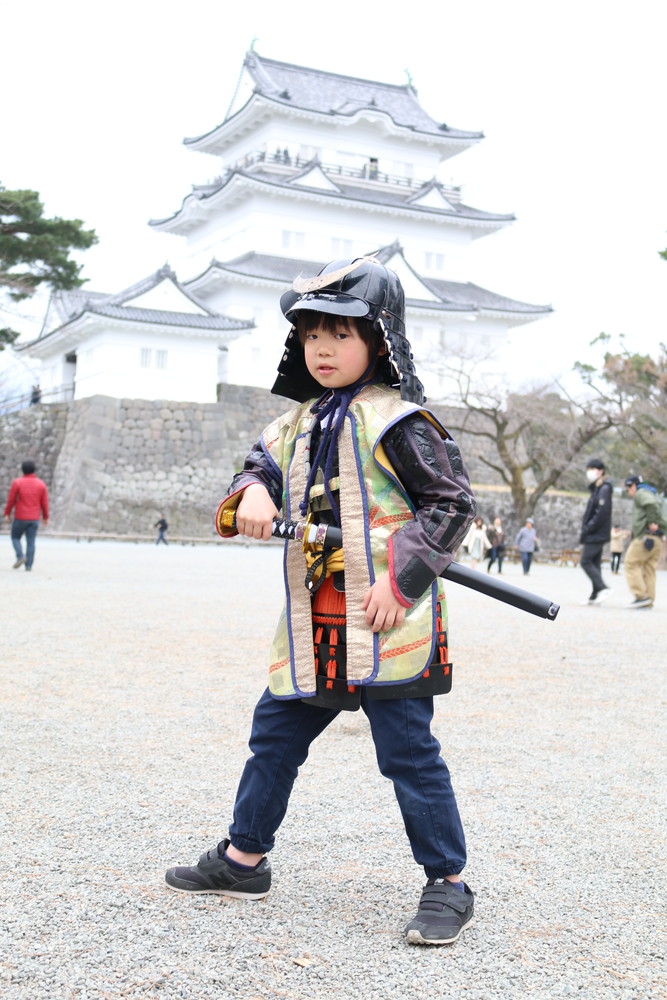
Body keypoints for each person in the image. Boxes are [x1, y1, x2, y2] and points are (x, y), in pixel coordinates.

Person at [165, 257, 477, 945]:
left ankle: (448, 882)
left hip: (387, 613)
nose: (323, 349)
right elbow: (259, 464)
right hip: (315, 617)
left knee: (407, 754)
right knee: (273, 738)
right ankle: (245, 858)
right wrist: (252, 489)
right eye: (311, 336)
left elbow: (451, 507)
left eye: (341, 333)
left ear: (380, 339)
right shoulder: (296, 423)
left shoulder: (401, 421)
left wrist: (401, 581)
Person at [623, 475, 667, 609]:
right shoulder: (654, 493)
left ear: (634, 486)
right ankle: (649, 600)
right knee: (649, 569)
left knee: (630, 563)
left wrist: (651, 522)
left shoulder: (642, 493)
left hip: (646, 536)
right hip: (658, 538)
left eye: (628, 489)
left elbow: (651, 504)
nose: (628, 492)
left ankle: (641, 596)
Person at [3, 460, 49, 571]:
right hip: (34, 518)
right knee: (31, 541)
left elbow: (11, 500)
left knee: (15, 537)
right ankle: (28, 565)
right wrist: (45, 517)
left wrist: (7, 513)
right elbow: (44, 503)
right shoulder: (41, 484)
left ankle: (20, 556)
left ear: (22, 470)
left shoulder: (17, 483)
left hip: (20, 517)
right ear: (34, 470)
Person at [579, 459, 613, 605]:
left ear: (600, 470)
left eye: (591, 469)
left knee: (585, 561)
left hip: (596, 533)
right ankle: (595, 593)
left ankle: (602, 587)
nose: (589, 472)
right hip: (597, 532)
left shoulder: (604, 488)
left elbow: (601, 513)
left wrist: (588, 528)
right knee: (595, 562)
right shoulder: (598, 488)